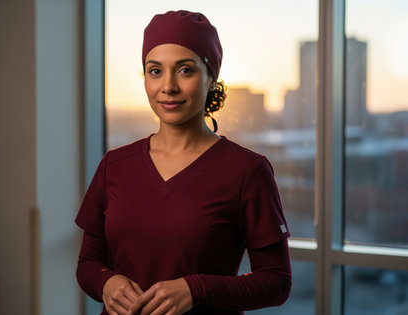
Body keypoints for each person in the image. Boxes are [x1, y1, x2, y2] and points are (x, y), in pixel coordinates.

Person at [75, 10, 292, 315]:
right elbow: (88, 264)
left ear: (211, 78)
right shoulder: (114, 166)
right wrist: (106, 284)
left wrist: (196, 289)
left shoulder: (247, 171)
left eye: (185, 70)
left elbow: (277, 282)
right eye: (155, 71)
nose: (168, 86)